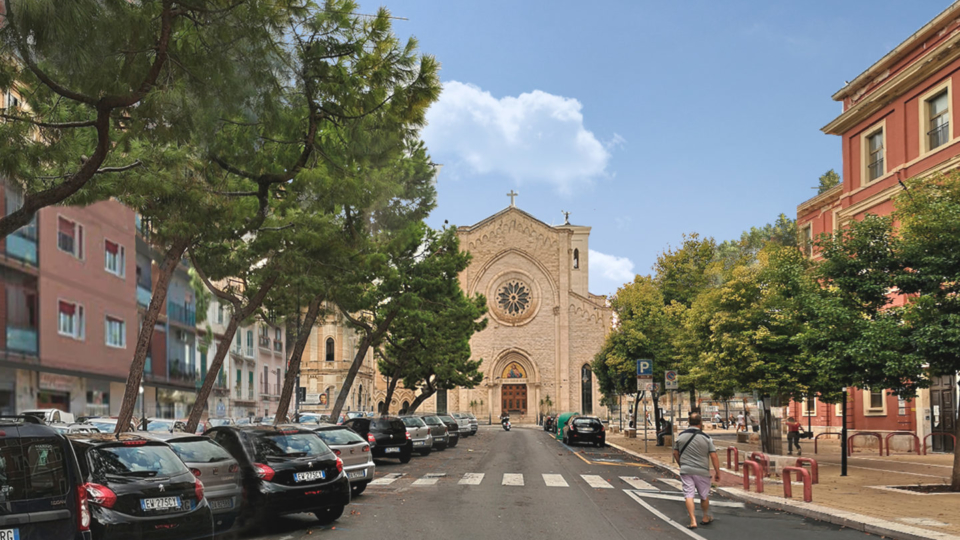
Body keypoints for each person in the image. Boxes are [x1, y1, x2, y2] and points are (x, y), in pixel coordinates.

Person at [672, 412, 721, 529]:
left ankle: (693, 520)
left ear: (689, 422)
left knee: (689, 494)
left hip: (686, 470)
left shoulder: (680, 436)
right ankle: (705, 517)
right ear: (700, 423)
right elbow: (714, 456)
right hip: (702, 471)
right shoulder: (707, 438)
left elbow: (675, 452)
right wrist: (717, 472)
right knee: (704, 495)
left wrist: (682, 464)